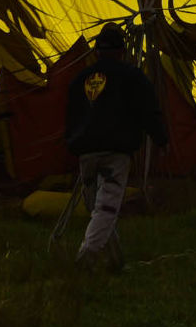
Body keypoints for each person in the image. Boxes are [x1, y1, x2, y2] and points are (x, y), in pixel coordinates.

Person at [63, 24, 168, 271]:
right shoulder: (132, 77)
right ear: (122, 51)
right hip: (115, 152)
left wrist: (74, 143)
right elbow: (149, 111)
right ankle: (85, 258)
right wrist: (161, 140)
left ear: (96, 52)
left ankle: (114, 261)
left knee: (97, 208)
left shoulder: (80, 80)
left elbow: (70, 116)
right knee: (106, 207)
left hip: (87, 152)